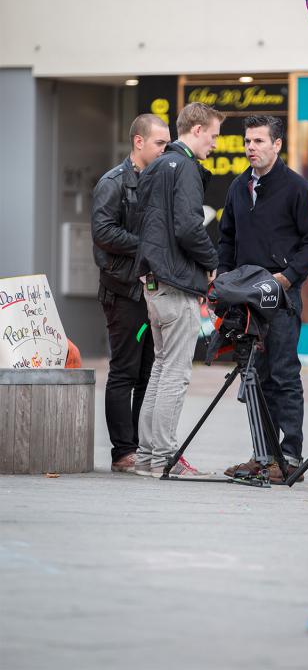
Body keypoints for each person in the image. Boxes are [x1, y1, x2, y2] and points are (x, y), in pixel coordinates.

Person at [218, 115, 308, 481]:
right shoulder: (238, 187)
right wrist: (222, 281)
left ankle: (290, 458)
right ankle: (264, 456)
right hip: (245, 302)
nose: (251, 148)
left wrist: (286, 277)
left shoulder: (296, 188)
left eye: (259, 141)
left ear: (277, 144)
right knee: (254, 379)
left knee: (283, 377)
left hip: (280, 300)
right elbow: (227, 240)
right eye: (248, 141)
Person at [133, 102, 223, 478]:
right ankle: (164, 457)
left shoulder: (155, 166)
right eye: (214, 136)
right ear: (198, 130)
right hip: (175, 284)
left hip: (154, 284)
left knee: (160, 370)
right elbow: (188, 227)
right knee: (175, 373)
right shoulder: (184, 167)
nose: (216, 145)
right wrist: (212, 262)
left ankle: (147, 457)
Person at [92, 114, 170, 473]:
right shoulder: (113, 182)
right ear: (139, 142)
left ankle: (137, 448)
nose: (165, 149)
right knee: (124, 372)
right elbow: (103, 232)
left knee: (146, 372)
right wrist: (147, 247)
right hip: (123, 294)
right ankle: (123, 452)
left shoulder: (158, 181)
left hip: (149, 293)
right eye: (160, 143)